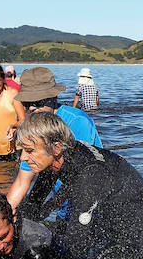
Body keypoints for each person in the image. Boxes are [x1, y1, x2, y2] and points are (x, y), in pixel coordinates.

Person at [15, 111, 143, 259]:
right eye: (22, 150)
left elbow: (76, 243)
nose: (23, 157)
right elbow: (32, 207)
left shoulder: (90, 172)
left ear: (56, 148)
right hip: (114, 223)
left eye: (29, 150)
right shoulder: (57, 159)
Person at [6, 67, 102, 210]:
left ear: (53, 98)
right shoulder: (32, 127)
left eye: (37, 103)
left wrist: (46, 210)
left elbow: (81, 175)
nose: (31, 108)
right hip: (63, 207)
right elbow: (22, 181)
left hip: (90, 204)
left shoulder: (78, 122)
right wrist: (1, 218)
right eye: (27, 104)